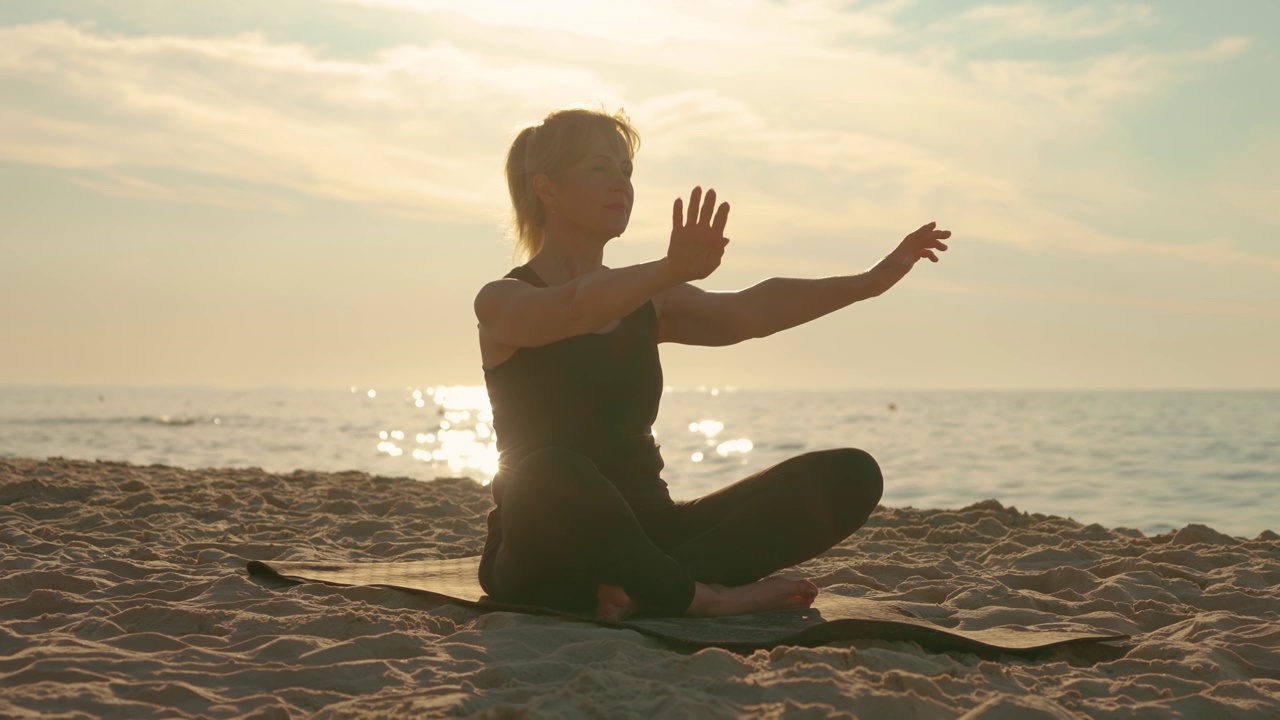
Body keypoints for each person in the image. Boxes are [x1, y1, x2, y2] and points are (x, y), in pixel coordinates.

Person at [474, 107, 952, 621]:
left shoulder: (649, 300)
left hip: (655, 531)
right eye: (600, 168)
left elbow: (749, 309)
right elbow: (576, 308)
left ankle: (641, 589)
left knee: (851, 474)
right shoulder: (502, 301)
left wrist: (867, 283)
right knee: (548, 470)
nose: (623, 185)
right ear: (547, 189)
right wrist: (667, 269)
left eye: (627, 171)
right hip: (548, 541)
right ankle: (702, 596)